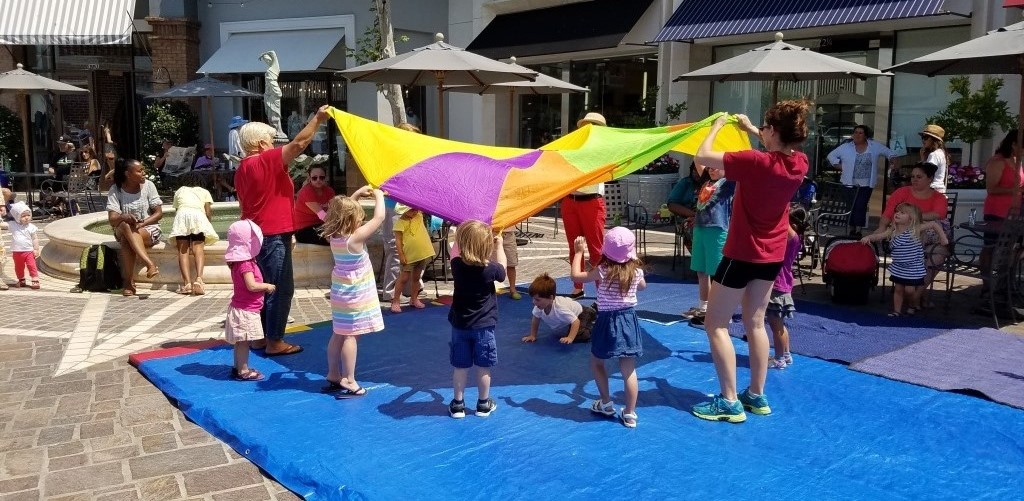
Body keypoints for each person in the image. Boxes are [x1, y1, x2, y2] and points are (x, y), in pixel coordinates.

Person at [691, 102, 810, 423]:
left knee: (715, 323)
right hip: (771, 255)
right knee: (756, 323)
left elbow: (702, 158)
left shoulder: (754, 162)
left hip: (742, 252)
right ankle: (756, 395)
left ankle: (729, 400)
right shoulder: (799, 163)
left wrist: (715, 127)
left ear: (773, 131)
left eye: (765, 128)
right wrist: (752, 130)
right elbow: (778, 150)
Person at [235, 105, 330, 357]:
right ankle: (275, 341)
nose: (272, 144)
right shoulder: (262, 161)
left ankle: (260, 337)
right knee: (280, 288)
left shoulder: (244, 166)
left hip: (258, 233)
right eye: (269, 139)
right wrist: (318, 119)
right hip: (272, 234)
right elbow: (299, 144)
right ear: (259, 143)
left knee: (266, 286)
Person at [570, 227, 646, 428]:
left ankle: (605, 403)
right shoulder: (637, 271)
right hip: (629, 319)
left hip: (606, 320)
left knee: (597, 363)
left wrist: (579, 253)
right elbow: (643, 286)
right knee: (628, 370)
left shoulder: (602, 271)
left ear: (606, 251)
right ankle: (630, 413)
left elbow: (577, 277)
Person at [318, 186, 386, 398]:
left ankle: (332, 373)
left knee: (339, 332)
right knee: (351, 335)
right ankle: (349, 378)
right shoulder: (355, 238)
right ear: (351, 219)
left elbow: (341, 210)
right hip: (355, 294)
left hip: (340, 293)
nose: (361, 221)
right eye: (358, 217)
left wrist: (356, 194)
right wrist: (378, 195)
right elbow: (380, 217)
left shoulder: (333, 235)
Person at [447, 220, 506, 419]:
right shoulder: (491, 270)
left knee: (460, 367)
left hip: (460, 325)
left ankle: (457, 404)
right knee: (483, 367)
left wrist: (458, 230)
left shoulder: (457, 266)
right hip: (484, 327)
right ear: (487, 245)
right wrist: (500, 247)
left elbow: (454, 250)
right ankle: (483, 404)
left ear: (462, 244)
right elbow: (503, 271)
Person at [872, 162, 949, 302]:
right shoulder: (901, 192)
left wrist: (911, 217)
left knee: (937, 256)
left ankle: (916, 295)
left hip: (929, 239)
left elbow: (938, 214)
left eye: (919, 177)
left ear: (930, 179)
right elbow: (888, 213)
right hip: (906, 243)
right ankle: (915, 297)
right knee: (914, 252)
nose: (914, 179)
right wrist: (882, 227)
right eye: (912, 176)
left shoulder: (939, 197)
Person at [861, 203, 948, 316]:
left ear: (911, 218)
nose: (898, 214)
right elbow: (879, 236)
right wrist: (868, 237)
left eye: (903, 213)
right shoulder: (892, 232)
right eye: (897, 212)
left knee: (910, 290)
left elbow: (933, 224)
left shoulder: (914, 230)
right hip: (899, 267)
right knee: (898, 290)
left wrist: (943, 237)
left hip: (913, 267)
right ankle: (897, 311)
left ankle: (912, 304)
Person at [561, 112, 608, 298]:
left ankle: (601, 289)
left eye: (594, 125)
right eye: (587, 125)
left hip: (592, 201)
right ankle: (578, 287)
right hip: (570, 201)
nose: (589, 128)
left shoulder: (605, 149)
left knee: (597, 249)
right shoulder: (573, 146)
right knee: (574, 246)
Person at [683, 162, 735, 323]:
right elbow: (699, 160)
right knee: (701, 270)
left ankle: (723, 311)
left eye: (716, 166)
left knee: (717, 273)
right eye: (710, 166)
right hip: (700, 228)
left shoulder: (729, 182)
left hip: (717, 230)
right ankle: (704, 307)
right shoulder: (707, 182)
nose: (711, 169)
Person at [223, 220, 275, 382]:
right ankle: (243, 370)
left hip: (240, 308)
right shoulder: (246, 264)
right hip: (246, 310)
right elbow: (251, 286)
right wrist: (267, 286)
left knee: (240, 342)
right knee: (244, 342)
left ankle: (237, 367)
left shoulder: (238, 262)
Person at [826, 124, 900, 235]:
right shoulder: (846, 147)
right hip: (848, 183)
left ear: (866, 135)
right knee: (851, 206)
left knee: (861, 205)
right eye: (855, 132)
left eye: (860, 133)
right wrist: (839, 166)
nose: (857, 135)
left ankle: (859, 229)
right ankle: (851, 229)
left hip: (866, 184)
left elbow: (889, 153)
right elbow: (831, 156)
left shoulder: (874, 146)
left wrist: (893, 159)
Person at [106, 159, 163, 297]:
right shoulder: (116, 189)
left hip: (148, 228)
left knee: (127, 241)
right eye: (140, 171)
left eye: (143, 170)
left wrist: (142, 223)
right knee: (125, 225)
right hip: (123, 228)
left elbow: (158, 213)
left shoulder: (149, 186)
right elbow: (112, 219)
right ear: (128, 174)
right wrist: (123, 217)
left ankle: (128, 282)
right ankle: (149, 264)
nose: (144, 173)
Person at [380, 123, 421, 302]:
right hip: (394, 206)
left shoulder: (412, 157)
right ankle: (390, 291)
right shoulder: (391, 159)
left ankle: (407, 288)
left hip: (410, 207)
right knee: (395, 249)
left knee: (413, 249)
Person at [767, 205, 809, 369]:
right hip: (784, 284)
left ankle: (778, 358)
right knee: (780, 324)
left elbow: (782, 223)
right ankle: (786, 354)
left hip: (777, 286)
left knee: (775, 325)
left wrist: (780, 204)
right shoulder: (797, 238)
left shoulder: (791, 237)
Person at [980, 130, 1022, 274]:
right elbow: (991, 189)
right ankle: (986, 285)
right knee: (990, 247)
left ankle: (1003, 282)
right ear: (1013, 144)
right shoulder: (998, 161)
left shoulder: (1017, 161)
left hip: (1014, 212)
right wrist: (1016, 190)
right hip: (996, 212)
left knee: (1010, 248)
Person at [168, 180, 218, 295]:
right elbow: (208, 211)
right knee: (198, 249)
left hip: (182, 216)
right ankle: (199, 279)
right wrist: (207, 224)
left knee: (182, 251)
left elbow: (177, 210)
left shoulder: (179, 191)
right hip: (198, 216)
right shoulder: (204, 191)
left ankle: (187, 284)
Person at [521, 273, 597, 344]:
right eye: (533, 299)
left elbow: (576, 322)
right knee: (570, 328)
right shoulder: (539, 306)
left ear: (551, 298)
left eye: (537, 299)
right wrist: (533, 335)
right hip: (573, 310)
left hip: (583, 313)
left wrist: (570, 338)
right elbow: (535, 319)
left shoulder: (560, 308)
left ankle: (593, 326)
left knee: (579, 336)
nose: (533, 302)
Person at [390, 204, 434, 313]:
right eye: (411, 210)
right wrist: (401, 255)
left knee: (416, 277)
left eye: (415, 209)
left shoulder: (419, 215)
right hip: (409, 256)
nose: (414, 212)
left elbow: (423, 206)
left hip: (421, 254)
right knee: (404, 278)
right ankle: (396, 301)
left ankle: (414, 299)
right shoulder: (400, 223)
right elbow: (398, 241)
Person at [666, 162, 707, 257]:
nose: (696, 173)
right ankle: (699, 258)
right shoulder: (685, 183)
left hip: (707, 218)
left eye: (699, 170)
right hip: (687, 217)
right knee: (694, 228)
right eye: (694, 170)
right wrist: (693, 214)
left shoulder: (713, 185)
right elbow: (671, 204)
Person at [293, 165, 335, 246]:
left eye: (321, 177)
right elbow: (322, 215)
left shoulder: (329, 191)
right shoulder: (306, 192)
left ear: (325, 178)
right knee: (335, 237)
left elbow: (333, 211)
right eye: (314, 178)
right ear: (309, 178)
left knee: (340, 235)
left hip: (321, 225)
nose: (318, 180)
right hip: (304, 229)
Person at [6, 202, 40, 289]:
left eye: (28, 215)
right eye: (23, 216)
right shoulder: (13, 225)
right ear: (17, 217)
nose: (26, 217)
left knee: (31, 265)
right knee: (18, 267)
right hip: (17, 252)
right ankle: (21, 280)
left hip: (28, 251)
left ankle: (35, 280)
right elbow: (4, 225)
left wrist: (36, 249)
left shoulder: (31, 227)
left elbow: (35, 239)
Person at [919, 124, 948, 193]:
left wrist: (922, 159)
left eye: (926, 138)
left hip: (932, 191)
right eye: (922, 137)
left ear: (934, 140)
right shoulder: (941, 153)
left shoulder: (934, 155)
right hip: (939, 190)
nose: (923, 140)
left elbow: (926, 174)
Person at [501, 228, 521, 299]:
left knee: (511, 264)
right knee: (491, 264)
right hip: (493, 233)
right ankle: (489, 289)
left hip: (509, 234)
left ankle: (512, 289)